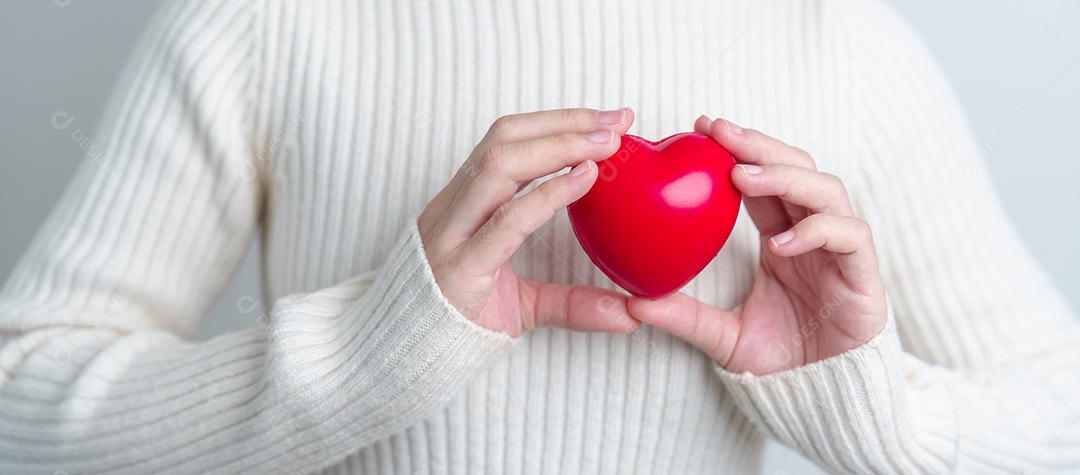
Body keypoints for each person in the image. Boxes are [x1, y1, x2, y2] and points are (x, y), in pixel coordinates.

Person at [1, 0, 1077, 473]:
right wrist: (366, 360)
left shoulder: (842, 42)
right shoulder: (268, 21)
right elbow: (19, 392)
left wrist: (874, 409)